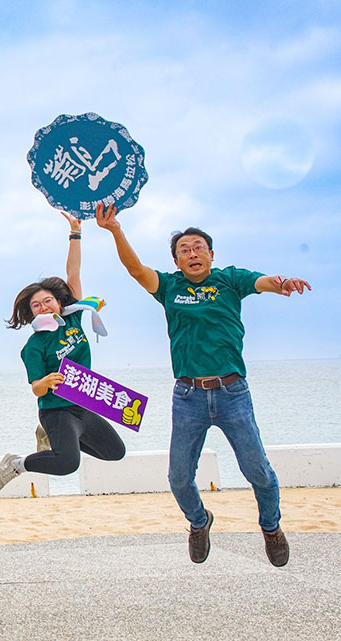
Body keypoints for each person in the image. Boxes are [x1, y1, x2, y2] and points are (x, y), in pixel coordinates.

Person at [96, 207, 310, 566]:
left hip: (232, 393)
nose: (192, 253)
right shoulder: (169, 287)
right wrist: (115, 229)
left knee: (257, 470)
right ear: (176, 261)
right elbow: (136, 271)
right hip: (188, 396)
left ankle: (271, 527)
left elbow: (264, 281)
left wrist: (282, 283)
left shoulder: (230, 279)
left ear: (211, 253)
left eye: (198, 247)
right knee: (179, 477)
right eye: (184, 250)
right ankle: (199, 521)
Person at [0, 206, 125, 493]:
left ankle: (55, 441)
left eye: (48, 301)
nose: (43, 306)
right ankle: (18, 463)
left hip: (83, 403)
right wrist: (46, 381)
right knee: (67, 463)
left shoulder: (73, 317)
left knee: (115, 452)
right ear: (30, 313)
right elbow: (36, 388)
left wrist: (75, 232)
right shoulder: (34, 346)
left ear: (59, 302)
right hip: (56, 410)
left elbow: (73, 272)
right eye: (36, 305)